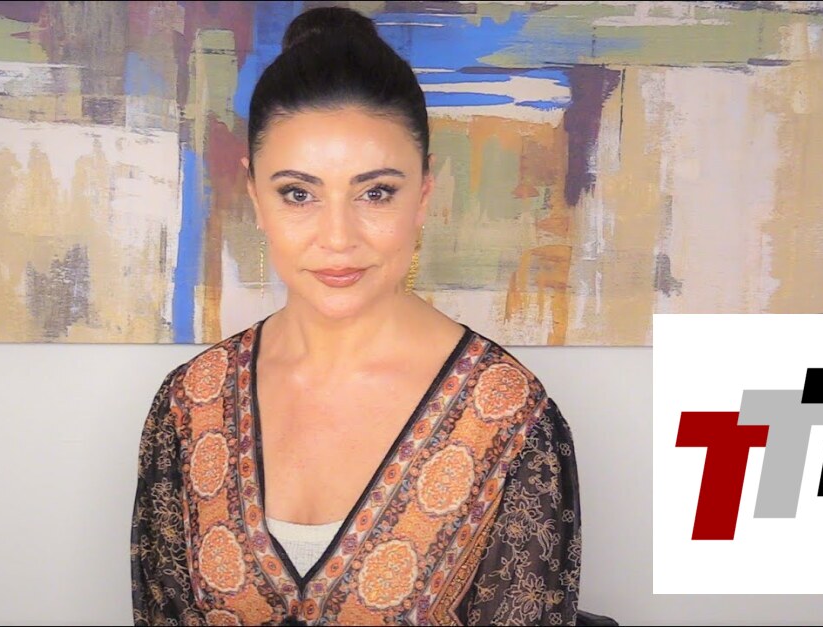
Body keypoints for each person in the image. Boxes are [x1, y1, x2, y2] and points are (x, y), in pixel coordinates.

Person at [130, 7, 581, 626]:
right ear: (255, 196)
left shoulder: (508, 418)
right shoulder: (190, 404)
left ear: (423, 194)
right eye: (298, 194)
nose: (338, 238)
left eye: (375, 193)